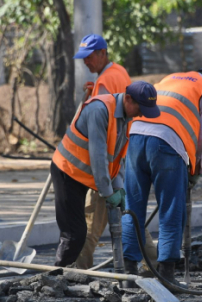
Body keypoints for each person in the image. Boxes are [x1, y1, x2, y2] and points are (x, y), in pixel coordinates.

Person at [121, 67, 202, 287]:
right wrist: (196, 168)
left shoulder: (170, 78)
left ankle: (127, 275)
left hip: (136, 137)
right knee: (171, 208)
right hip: (166, 143)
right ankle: (167, 275)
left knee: (132, 207)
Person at [50, 81, 160, 267]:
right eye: (140, 108)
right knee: (74, 233)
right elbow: (98, 157)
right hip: (67, 171)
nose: (141, 114)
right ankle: (57, 278)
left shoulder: (126, 117)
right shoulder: (99, 110)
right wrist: (108, 193)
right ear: (128, 99)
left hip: (86, 175)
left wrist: (118, 188)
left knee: (81, 232)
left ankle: (70, 276)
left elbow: (117, 157)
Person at [71, 33, 137, 270]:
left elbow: (98, 131)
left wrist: (102, 179)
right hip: (118, 158)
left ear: (102, 53)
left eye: (89, 57)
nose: (85, 62)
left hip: (105, 165)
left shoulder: (106, 81)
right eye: (83, 58)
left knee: (89, 225)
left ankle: (78, 272)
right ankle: (153, 266)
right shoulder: (118, 72)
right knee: (128, 218)